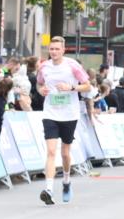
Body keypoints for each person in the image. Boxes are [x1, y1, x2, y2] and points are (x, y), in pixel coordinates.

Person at [36, 36, 91, 205]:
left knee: (65, 153)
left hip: (69, 114)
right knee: (51, 151)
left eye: (57, 49)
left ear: (63, 50)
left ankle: (66, 182)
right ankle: (49, 189)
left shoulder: (72, 66)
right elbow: (39, 84)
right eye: (51, 49)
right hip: (50, 113)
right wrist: (41, 90)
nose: (53, 52)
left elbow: (88, 85)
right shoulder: (44, 67)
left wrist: (71, 87)